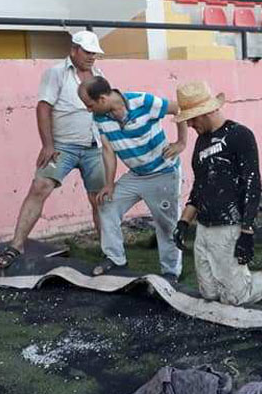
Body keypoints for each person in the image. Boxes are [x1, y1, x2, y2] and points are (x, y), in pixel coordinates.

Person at [169, 81, 262, 305]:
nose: (189, 124)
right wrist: (183, 222)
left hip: (229, 224)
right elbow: (199, 187)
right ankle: (249, 284)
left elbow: (252, 185)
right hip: (205, 226)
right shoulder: (201, 142)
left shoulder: (240, 135)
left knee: (235, 297)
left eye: (192, 118)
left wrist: (247, 231)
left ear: (206, 112)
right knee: (209, 294)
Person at [0, 31, 106, 270]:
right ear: (74, 50)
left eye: (94, 53)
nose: (91, 57)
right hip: (62, 146)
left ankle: (110, 252)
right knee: (40, 187)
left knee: (99, 199)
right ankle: (16, 245)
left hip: (93, 146)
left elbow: (105, 108)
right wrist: (48, 144)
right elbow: (43, 107)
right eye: (87, 52)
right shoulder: (56, 73)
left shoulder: (99, 75)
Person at [77, 77, 187, 282]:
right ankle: (116, 259)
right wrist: (109, 184)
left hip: (163, 172)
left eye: (90, 105)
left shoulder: (143, 102)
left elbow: (178, 109)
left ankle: (171, 272)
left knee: (167, 223)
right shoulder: (100, 118)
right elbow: (108, 150)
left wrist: (181, 142)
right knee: (106, 204)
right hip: (136, 175)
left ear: (102, 99)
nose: (88, 110)